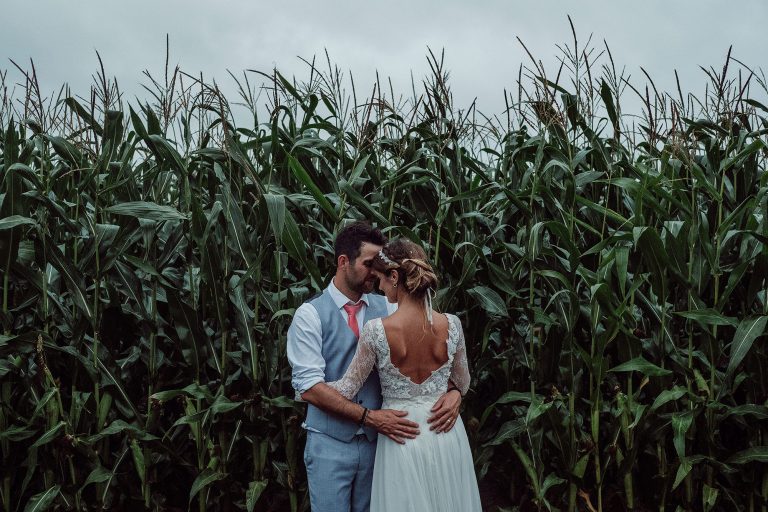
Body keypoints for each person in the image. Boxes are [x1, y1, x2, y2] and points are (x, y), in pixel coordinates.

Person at [287, 222, 462, 512]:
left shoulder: (391, 306)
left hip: (381, 445)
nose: (377, 271)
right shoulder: (309, 315)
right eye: (370, 263)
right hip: (331, 445)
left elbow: (436, 352)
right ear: (344, 262)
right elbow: (309, 388)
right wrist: (370, 418)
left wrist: (455, 391)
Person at [326, 237, 482, 512]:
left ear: (395, 276)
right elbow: (463, 382)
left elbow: (347, 389)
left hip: (401, 436)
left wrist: (309, 387)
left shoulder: (376, 331)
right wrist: (455, 393)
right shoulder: (452, 325)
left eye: (381, 279)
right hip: (445, 432)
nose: (380, 286)